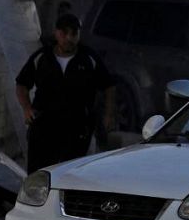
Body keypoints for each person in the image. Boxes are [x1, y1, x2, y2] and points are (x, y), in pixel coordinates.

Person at [15, 13, 116, 172]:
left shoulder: (88, 58)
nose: (69, 38)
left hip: (77, 127)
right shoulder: (42, 57)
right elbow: (21, 84)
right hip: (44, 125)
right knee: (40, 173)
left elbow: (108, 86)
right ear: (56, 33)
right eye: (64, 33)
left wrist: (108, 115)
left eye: (74, 33)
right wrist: (27, 108)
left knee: (70, 173)